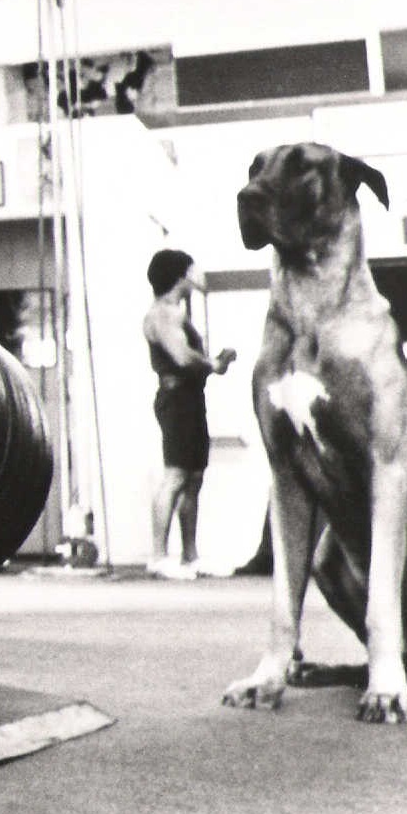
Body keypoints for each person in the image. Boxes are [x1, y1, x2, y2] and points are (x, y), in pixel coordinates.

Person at [142, 249, 236, 580]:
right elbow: (181, 357)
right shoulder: (162, 314)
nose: (198, 275)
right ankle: (157, 557)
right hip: (176, 399)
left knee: (194, 477)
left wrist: (212, 364)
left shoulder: (176, 313)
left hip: (192, 397)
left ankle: (190, 556)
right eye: (192, 269)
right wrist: (214, 364)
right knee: (176, 475)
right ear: (180, 275)